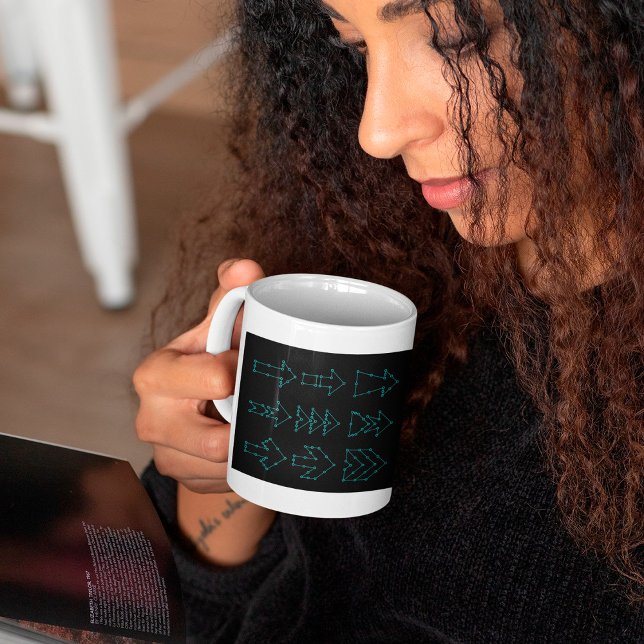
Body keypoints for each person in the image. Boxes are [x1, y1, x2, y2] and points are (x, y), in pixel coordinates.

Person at [133, 0, 643, 641]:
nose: (376, 133)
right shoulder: (383, 240)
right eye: (353, 46)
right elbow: (207, 614)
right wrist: (218, 463)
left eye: (455, 37)